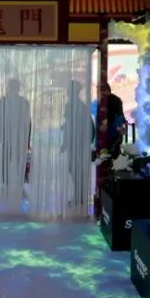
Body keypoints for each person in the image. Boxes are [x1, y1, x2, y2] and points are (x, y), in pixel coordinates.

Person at [61, 80, 94, 209]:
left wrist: (65, 142)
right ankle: (79, 196)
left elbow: (72, 125)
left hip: (76, 143)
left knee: (75, 170)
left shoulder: (71, 105)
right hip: (80, 142)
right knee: (76, 170)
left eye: (68, 88)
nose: (67, 91)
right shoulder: (80, 105)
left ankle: (79, 196)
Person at [0, 78, 31, 195]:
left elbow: (28, 122)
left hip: (16, 138)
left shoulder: (21, 102)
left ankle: (14, 184)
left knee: (15, 161)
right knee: (9, 161)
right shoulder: (5, 102)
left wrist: (27, 138)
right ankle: (9, 184)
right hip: (10, 138)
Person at [100, 82, 126, 156]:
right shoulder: (115, 99)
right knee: (115, 151)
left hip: (114, 130)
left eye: (102, 91)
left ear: (107, 90)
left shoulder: (111, 100)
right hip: (117, 130)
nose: (101, 93)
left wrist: (105, 124)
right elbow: (120, 115)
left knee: (112, 151)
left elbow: (112, 115)